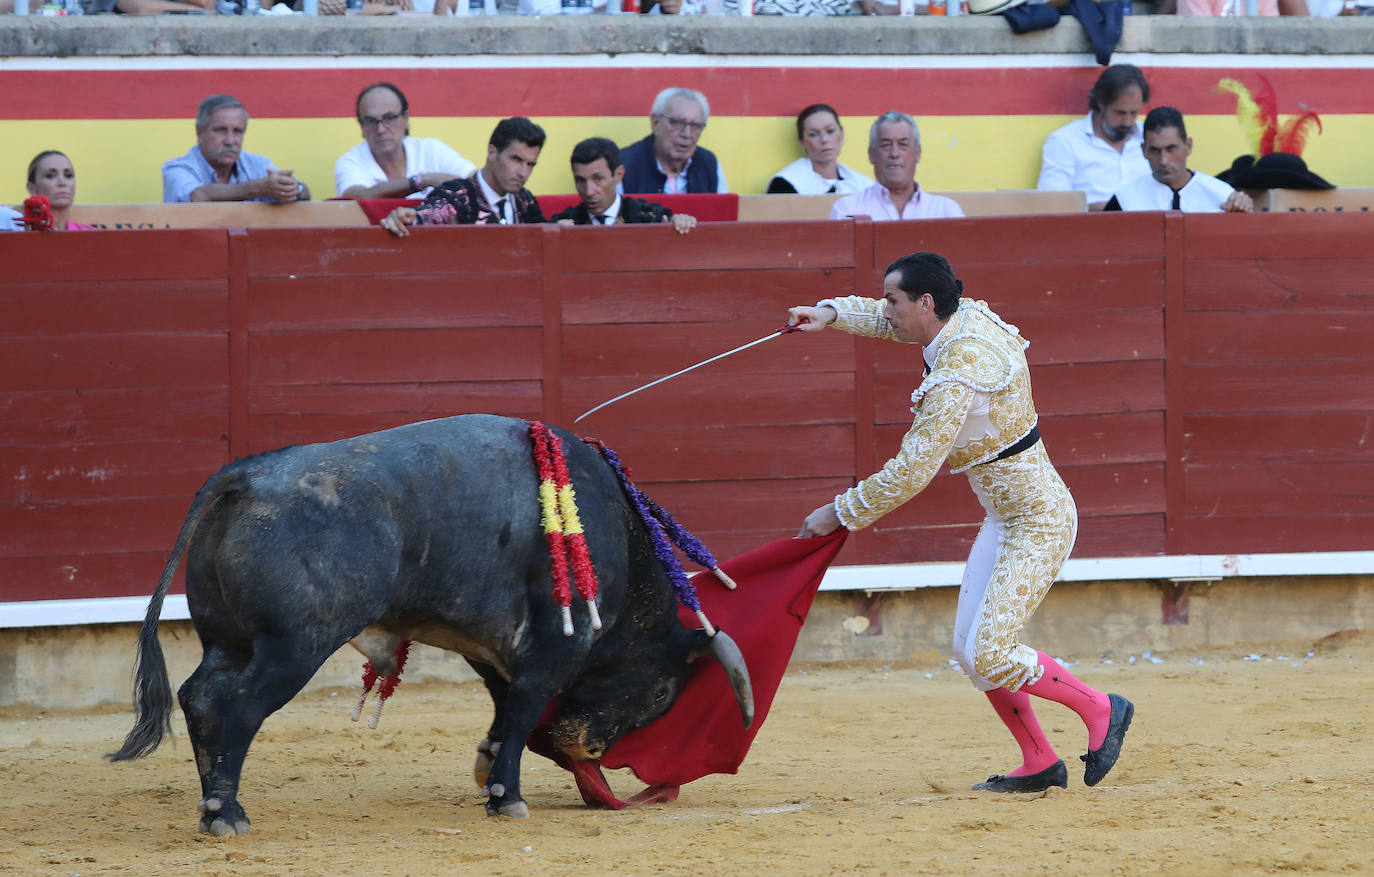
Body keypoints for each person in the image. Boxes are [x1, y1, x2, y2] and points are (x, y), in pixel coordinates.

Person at [787, 252, 1134, 793]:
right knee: (972, 654)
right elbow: (891, 323)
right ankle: (1040, 759)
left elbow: (911, 472)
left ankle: (1100, 707)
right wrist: (831, 314)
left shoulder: (958, 374)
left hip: (1040, 520)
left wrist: (841, 512)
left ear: (926, 302)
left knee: (991, 651)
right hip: (1006, 518)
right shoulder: (959, 316)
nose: (886, 310)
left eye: (893, 300)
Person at [380, 117, 546, 237]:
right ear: (492, 153)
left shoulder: (524, 200)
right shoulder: (456, 195)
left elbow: (545, 231)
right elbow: (430, 215)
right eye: (516, 159)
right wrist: (409, 217)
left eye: (531, 164)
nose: (523, 173)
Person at [1037, 65, 1151, 212]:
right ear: (1100, 103)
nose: (1128, 122)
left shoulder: (1150, 136)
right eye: (1120, 113)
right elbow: (1051, 206)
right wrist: (1103, 210)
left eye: (1134, 113)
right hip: (1088, 230)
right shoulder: (1065, 141)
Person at [335, 82, 477, 200]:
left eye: (389, 118)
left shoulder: (431, 149)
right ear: (361, 126)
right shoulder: (350, 161)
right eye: (371, 121)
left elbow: (476, 183)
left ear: (406, 119)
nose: (380, 129)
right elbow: (355, 198)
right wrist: (422, 181)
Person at [162, 95, 311, 204]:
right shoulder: (176, 168)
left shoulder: (258, 164)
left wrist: (294, 188)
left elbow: (304, 192)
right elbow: (199, 196)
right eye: (220, 130)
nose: (230, 141)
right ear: (199, 132)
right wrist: (260, 188)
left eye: (238, 131)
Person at [1105, 107, 1253, 213]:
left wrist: (1244, 211)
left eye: (1171, 149)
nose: (1163, 161)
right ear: (1144, 150)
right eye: (1155, 150)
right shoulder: (1125, 199)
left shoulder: (1222, 195)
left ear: (1188, 146)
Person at [829, 111, 963, 221]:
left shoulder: (946, 210)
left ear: (918, 153)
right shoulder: (847, 210)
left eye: (903, 145)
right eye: (886, 145)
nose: (894, 153)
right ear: (871, 154)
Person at [551, 137, 697, 234]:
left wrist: (682, 223)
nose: (589, 192)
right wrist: (553, 234)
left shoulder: (650, 217)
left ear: (619, 175)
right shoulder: (566, 222)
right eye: (581, 181)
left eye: (598, 179)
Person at [619, 88, 728, 196]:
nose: (687, 134)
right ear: (656, 123)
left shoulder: (710, 164)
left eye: (695, 126)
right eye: (677, 123)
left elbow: (725, 211)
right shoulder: (624, 166)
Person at [766, 104, 874, 196]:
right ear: (802, 142)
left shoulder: (864, 186)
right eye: (813, 134)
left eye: (830, 131)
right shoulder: (785, 183)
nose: (824, 140)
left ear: (841, 134)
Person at [24, 151, 95, 231]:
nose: (62, 183)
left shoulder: (93, 235)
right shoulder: (17, 233)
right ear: (32, 188)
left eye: (68, 175)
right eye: (50, 176)